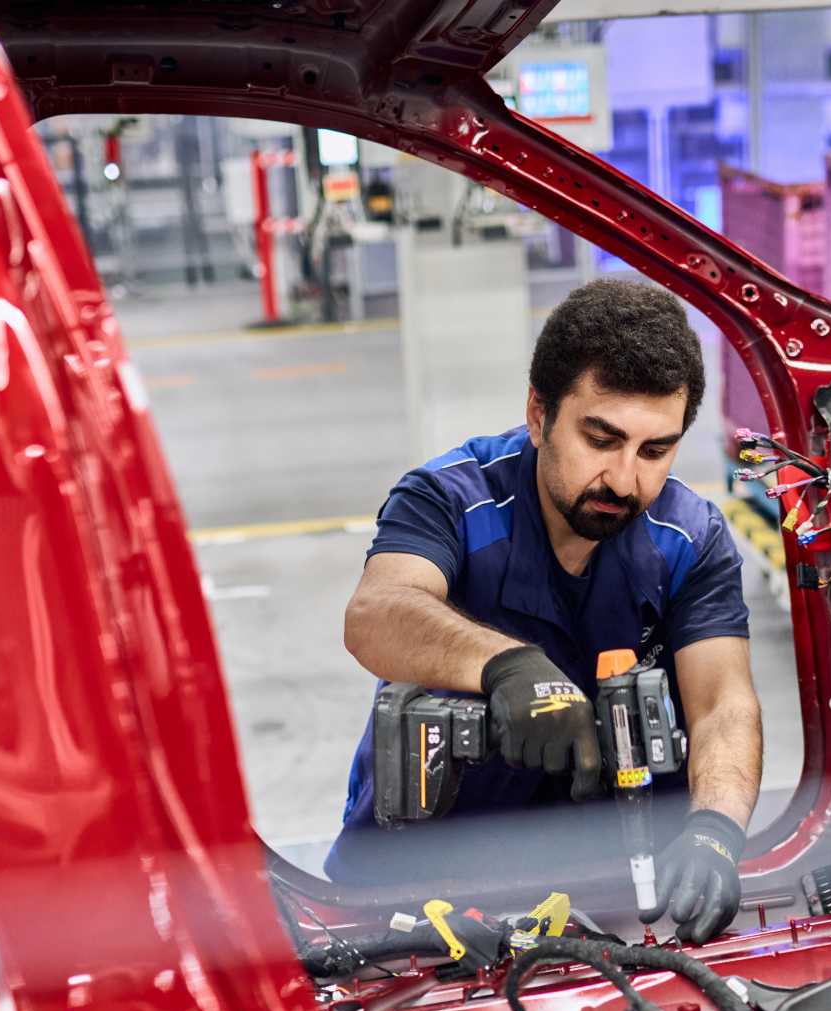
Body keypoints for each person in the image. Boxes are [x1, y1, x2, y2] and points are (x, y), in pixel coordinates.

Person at [325, 279, 763, 945]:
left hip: (619, 890)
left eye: (655, 450)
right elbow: (377, 612)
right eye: (601, 438)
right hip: (420, 896)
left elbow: (722, 704)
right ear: (538, 414)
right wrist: (505, 665)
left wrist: (717, 830)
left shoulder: (688, 537)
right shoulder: (451, 498)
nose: (625, 478)